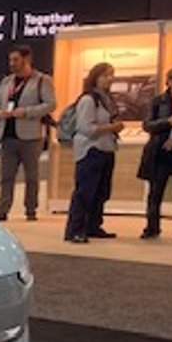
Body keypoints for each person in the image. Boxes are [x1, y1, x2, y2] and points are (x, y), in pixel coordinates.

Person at [0, 44, 56, 222]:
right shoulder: (6, 81)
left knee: (32, 176)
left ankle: (30, 209)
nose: (12, 63)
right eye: (10, 60)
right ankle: (3, 209)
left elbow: (50, 104)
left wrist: (26, 111)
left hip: (30, 136)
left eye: (15, 60)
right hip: (7, 135)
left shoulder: (42, 80)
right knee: (6, 176)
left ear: (27, 59)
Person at [64, 62, 125, 244]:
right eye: (106, 75)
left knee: (101, 192)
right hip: (90, 150)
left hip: (107, 148)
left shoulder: (107, 99)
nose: (110, 79)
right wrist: (112, 127)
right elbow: (85, 127)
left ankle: (93, 226)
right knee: (85, 192)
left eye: (112, 75)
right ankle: (75, 229)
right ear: (95, 77)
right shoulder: (89, 100)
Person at [139, 65, 172, 240]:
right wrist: (169, 122)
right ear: (170, 81)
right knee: (155, 193)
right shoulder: (158, 101)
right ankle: (152, 227)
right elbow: (148, 125)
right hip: (160, 153)